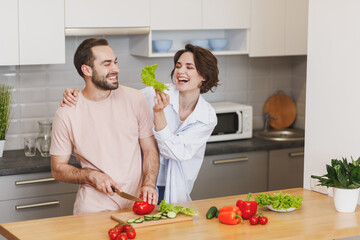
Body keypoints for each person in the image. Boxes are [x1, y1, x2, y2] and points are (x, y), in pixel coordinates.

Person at [61, 44, 219, 204]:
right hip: (143, 184)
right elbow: (111, 94)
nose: (180, 71)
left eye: (189, 67)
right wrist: (79, 94)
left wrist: (159, 114)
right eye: (178, 66)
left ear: (204, 76)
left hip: (174, 186)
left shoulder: (206, 116)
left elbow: (176, 152)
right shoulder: (153, 93)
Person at [50, 38, 159, 215]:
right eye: (107, 64)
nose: (116, 69)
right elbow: (58, 169)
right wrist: (90, 175)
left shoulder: (135, 99)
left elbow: (150, 150)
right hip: (93, 209)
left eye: (115, 62)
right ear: (87, 70)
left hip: (136, 204)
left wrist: (149, 184)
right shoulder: (67, 113)